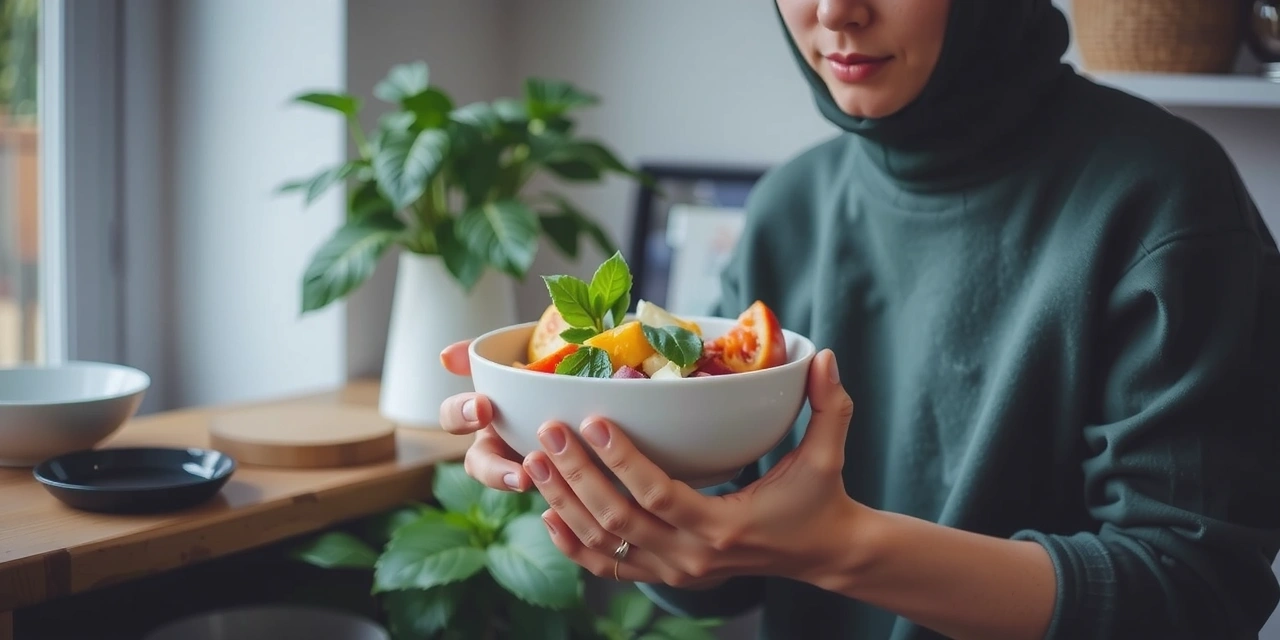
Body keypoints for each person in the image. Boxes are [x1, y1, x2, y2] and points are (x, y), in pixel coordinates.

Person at [436, 0, 1280, 638]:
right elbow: (727, 564)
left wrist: (833, 545)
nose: (835, 11)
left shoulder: (1168, 202)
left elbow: (1195, 592)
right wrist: (619, 500)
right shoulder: (789, 208)